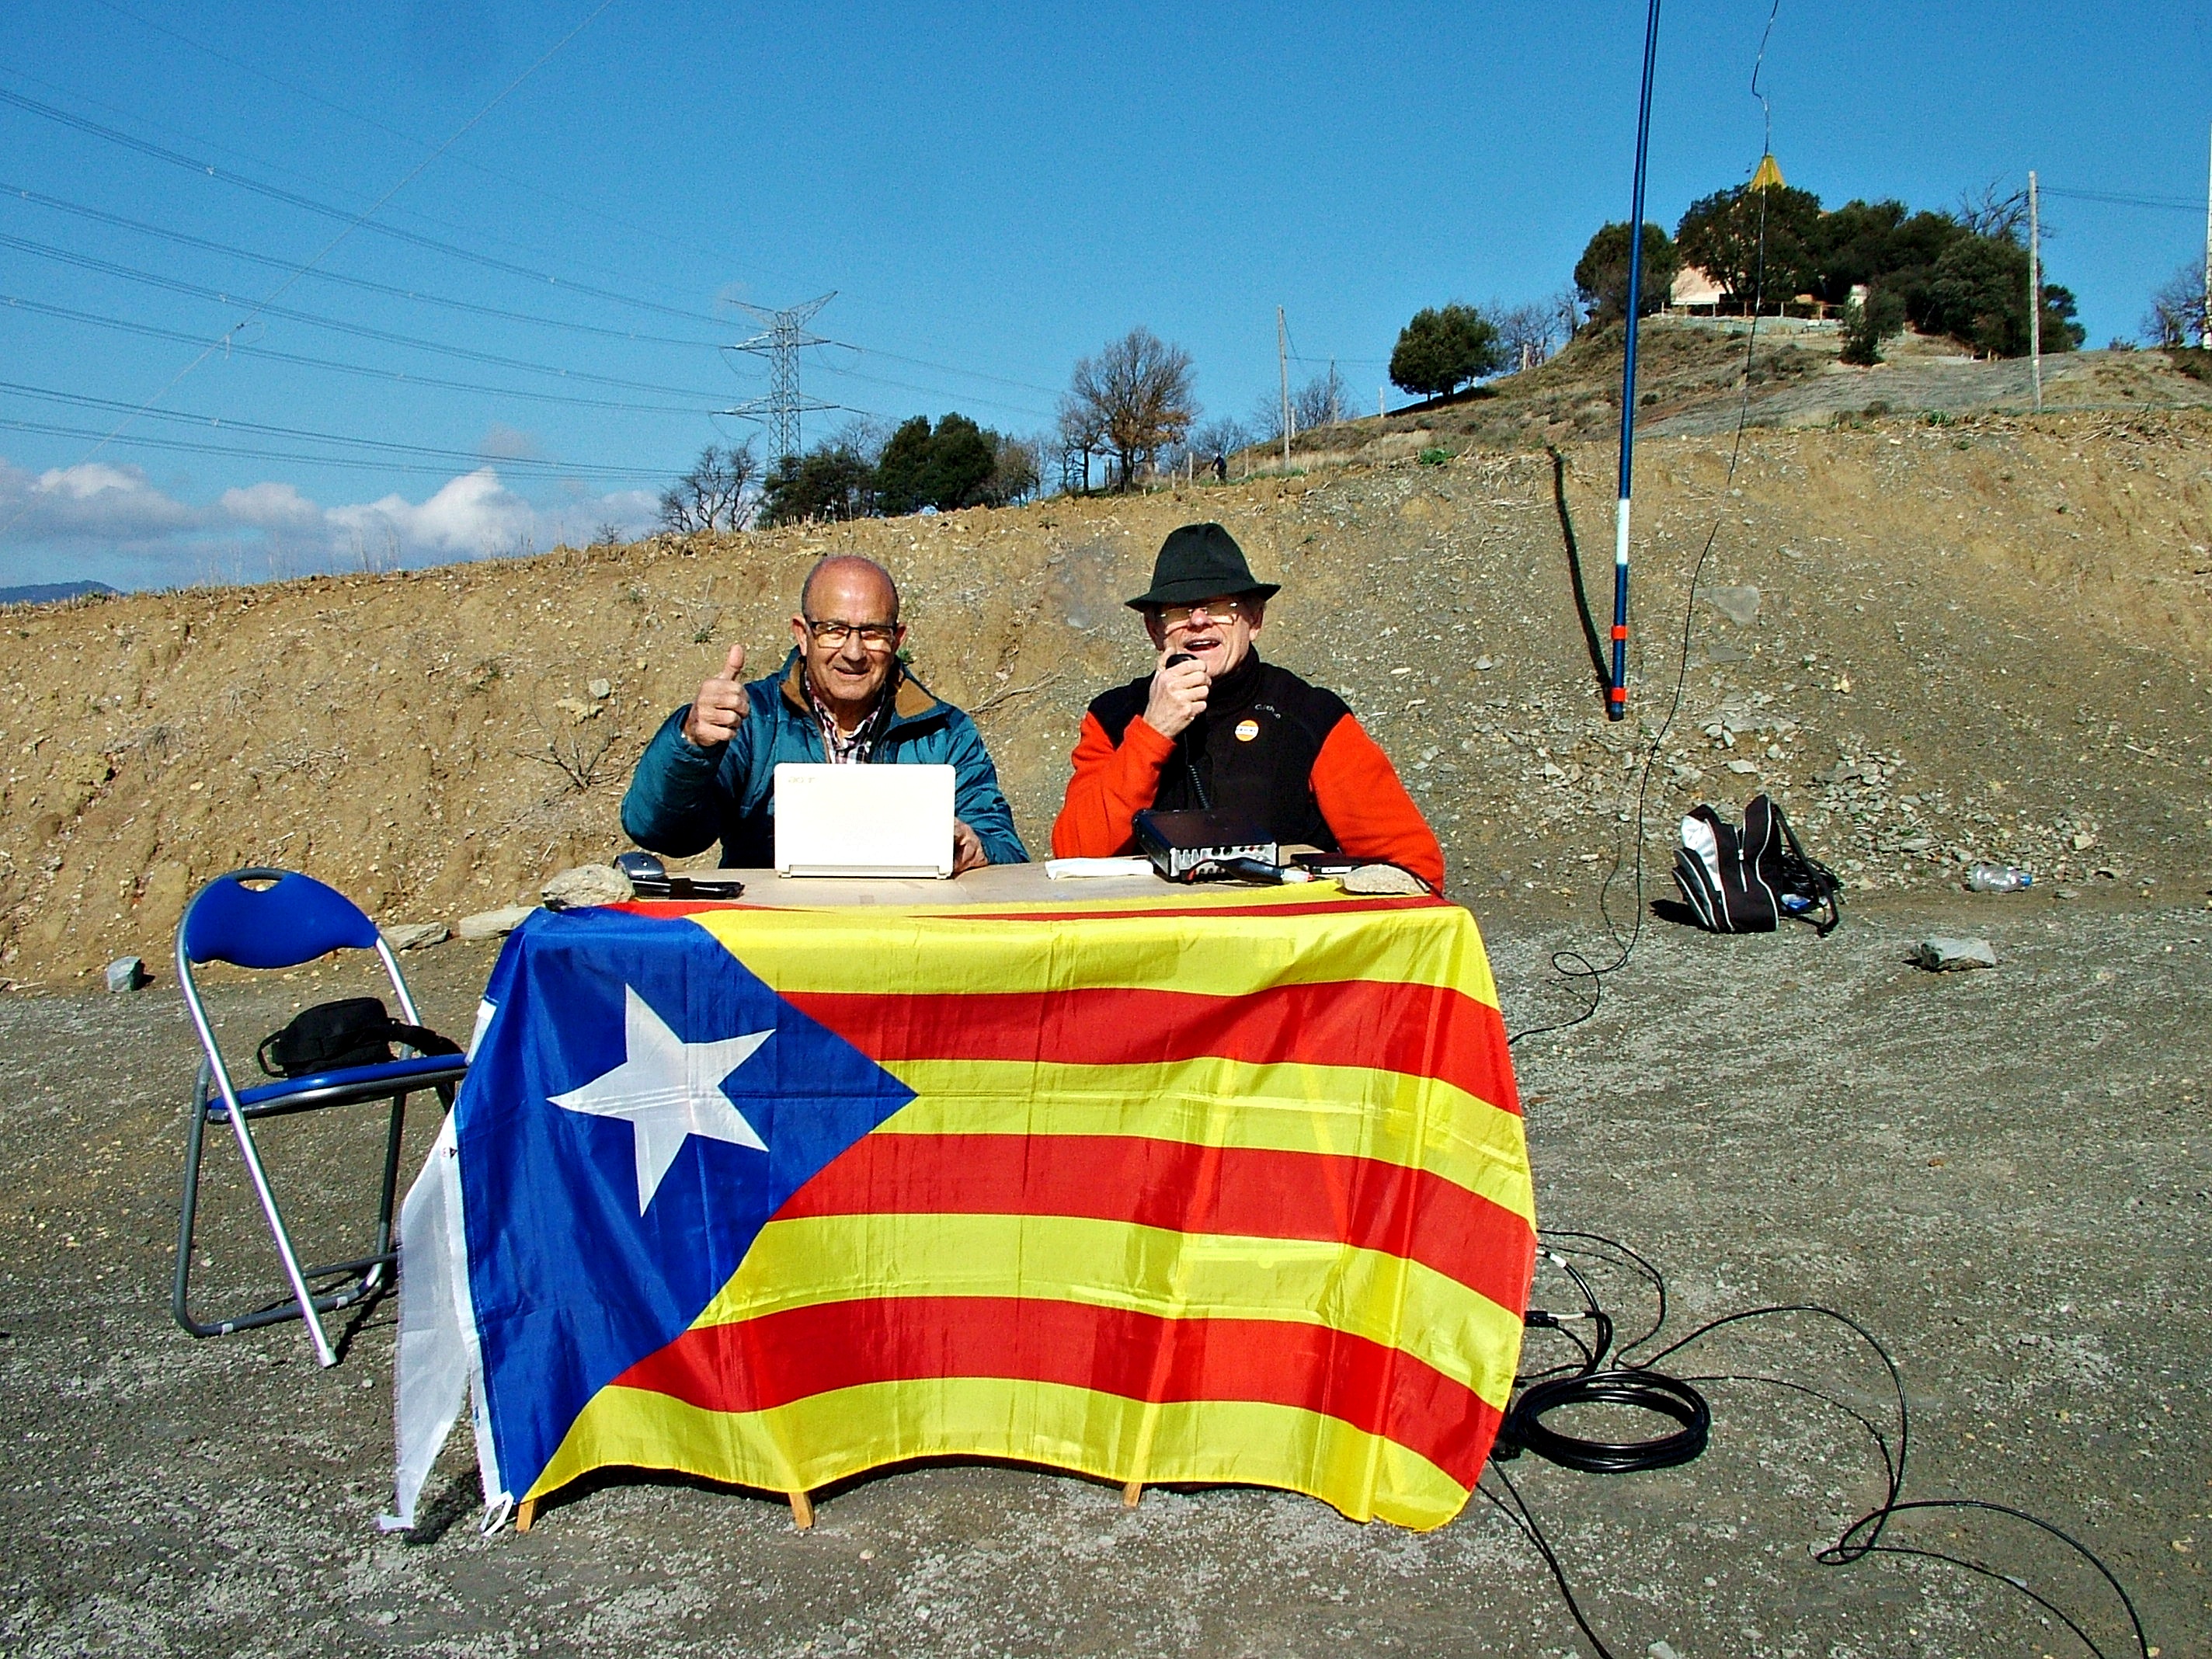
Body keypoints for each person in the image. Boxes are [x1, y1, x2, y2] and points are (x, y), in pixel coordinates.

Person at [1051, 523, 1445, 889]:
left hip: (1282, 939)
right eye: (1178, 611)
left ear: (1254, 620)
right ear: (1154, 630)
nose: (1199, 621)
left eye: (1221, 607)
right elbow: (1073, 856)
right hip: (1153, 938)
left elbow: (1412, 868)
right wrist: (1153, 731)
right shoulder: (1112, 717)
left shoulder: (1311, 717)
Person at [624, 554, 1026, 873]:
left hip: (903, 936)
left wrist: (977, 847)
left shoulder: (946, 732)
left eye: (873, 633)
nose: (853, 652)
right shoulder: (752, 720)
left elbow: (1008, 852)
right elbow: (660, 832)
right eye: (834, 630)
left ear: (897, 639)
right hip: (775, 940)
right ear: (802, 635)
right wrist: (692, 744)